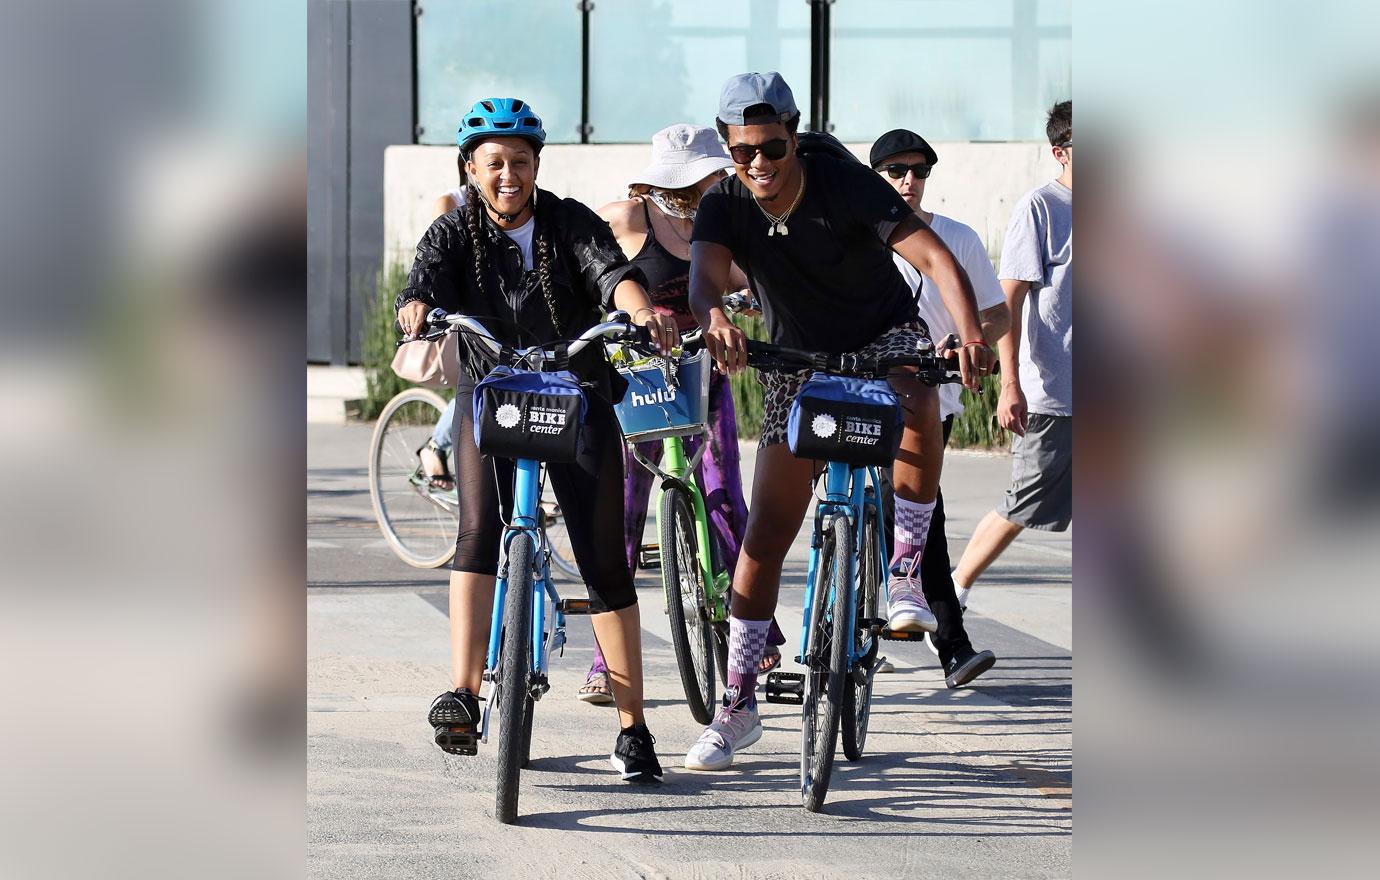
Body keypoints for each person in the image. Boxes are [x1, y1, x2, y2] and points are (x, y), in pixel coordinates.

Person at [683, 72, 993, 771]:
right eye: (743, 152)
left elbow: (935, 256)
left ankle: (907, 568)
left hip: (881, 335)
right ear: (729, 149)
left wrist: (970, 333)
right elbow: (705, 281)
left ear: (795, 135)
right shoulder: (725, 202)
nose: (758, 165)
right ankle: (737, 704)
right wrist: (711, 322)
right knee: (765, 533)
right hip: (794, 357)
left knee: (917, 391)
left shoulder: (840, 178)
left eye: (772, 147)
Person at [396, 97, 680, 783]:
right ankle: (463, 694)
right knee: (477, 531)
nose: (507, 175)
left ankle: (633, 728)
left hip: (576, 393)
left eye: (519, 162)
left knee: (604, 558)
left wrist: (643, 312)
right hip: (487, 393)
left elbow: (613, 274)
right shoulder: (453, 232)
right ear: (471, 168)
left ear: (536, 165)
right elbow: (424, 285)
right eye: (493, 163)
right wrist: (416, 309)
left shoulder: (569, 220)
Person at [576, 124, 787, 704]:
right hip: (632, 379)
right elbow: (579, 265)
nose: (690, 196)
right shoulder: (623, 220)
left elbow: (756, 279)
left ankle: (755, 624)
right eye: (680, 186)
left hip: (700, 374)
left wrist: (754, 304)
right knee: (620, 516)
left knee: (725, 496)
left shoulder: (724, 220)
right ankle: (604, 658)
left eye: (701, 183)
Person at [868, 128, 1008, 684]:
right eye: (896, 170)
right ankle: (946, 643)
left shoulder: (956, 239)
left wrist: (969, 340)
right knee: (890, 506)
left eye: (919, 171)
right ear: (873, 175)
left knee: (916, 508)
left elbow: (996, 314)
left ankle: (934, 636)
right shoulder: (856, 238)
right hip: (864, 389)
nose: (909, 181)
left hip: (934, 395)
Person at [952, 100, 1073, 604]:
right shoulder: (1039, 208)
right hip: (1054, 392)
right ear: (1060, 151)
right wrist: (1010, 384)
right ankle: (954, 591)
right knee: (1025, 501)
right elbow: (1008, 303)